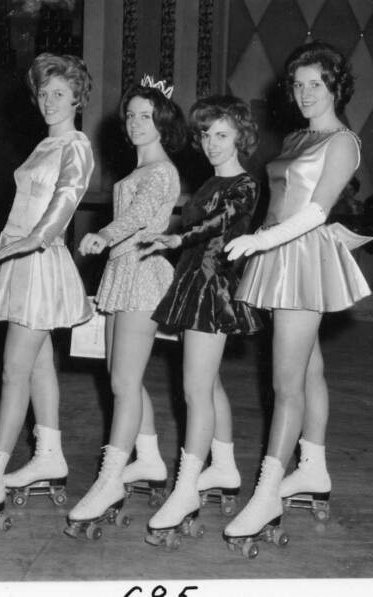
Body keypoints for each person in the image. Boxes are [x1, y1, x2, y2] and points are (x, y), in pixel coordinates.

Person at [222, 40, 372, 556]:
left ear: (336, 87)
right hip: (277, 252)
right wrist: (257, 240)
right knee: (309, 370)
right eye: (299, 84)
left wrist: (260, 242)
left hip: (302, 257)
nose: (305, 93)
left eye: (316, 84)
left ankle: (267, 495)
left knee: (285, 384)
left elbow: (316, 211)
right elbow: (277, 198)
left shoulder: (344, 142)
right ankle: (313, 468)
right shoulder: (296, 136)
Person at [0, 53, 95, 545]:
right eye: (43, 93)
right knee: (38, 364)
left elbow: (66, 199)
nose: (49, 101)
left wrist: (32, 241)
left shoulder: (76, 145)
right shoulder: (45, 143)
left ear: (77, 97)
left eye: (59, 93)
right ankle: (49, 453)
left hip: (38, 260)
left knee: (13, 372)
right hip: (20, 256)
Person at [137, 95, 263, 547]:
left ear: (241, 137)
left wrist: (175, 237)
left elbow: (217, 224)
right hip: (194, 281)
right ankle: (224, 467)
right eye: (206, 134)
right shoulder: (210, 181)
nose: (211, 143)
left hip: (213, 289)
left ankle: (186, 487)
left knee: (194, 390)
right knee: (208, 385)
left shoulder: (245, 184)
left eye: (222, 135)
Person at [64, 76, 186, 537]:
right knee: (120, 376)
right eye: (131, 115)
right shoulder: (140, 169)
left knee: (123, 381)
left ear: (163, 122)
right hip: (121, 272)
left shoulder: (162, 170)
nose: (136, 123)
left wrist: (104, 234)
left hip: (141, 272)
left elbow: (137, 218)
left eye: (146, 116)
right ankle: (149, 459)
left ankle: (110, 479)